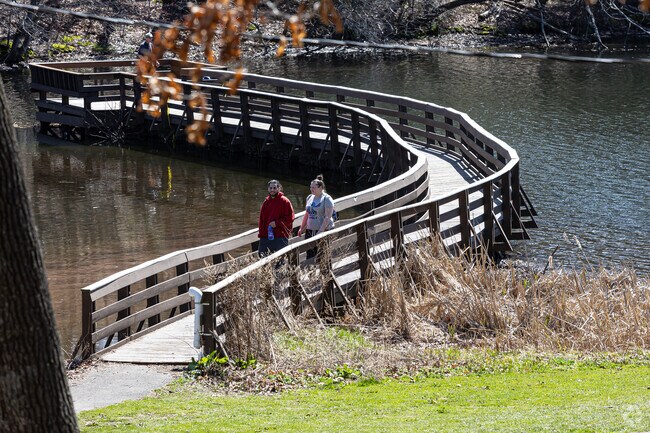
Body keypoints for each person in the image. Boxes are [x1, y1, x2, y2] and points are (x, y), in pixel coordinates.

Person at [297, 174, 335, 259]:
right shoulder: (309, 198)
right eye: (310, 187)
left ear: (320, 187)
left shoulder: (327, 199)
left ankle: (325, 272)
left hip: (323, 230)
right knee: (310, 255)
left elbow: (327, 217)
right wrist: (302, 228)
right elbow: (307, 214)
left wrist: (321, 230)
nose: (311, 189)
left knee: (323, 255)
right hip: (310, 230)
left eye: (313, 187)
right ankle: (311, 272)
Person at [258, 179, 295, 257]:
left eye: (274, 188)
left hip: (280, 236)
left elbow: (290, 218)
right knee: (262, 258)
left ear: (278, 188)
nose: (272, 190)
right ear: (268, 189)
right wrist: (261, 235)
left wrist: (277, 223)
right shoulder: (266, 202)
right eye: (270, 188)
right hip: (266, 236)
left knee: (280, 260)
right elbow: (261, 221)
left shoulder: (285, 201)